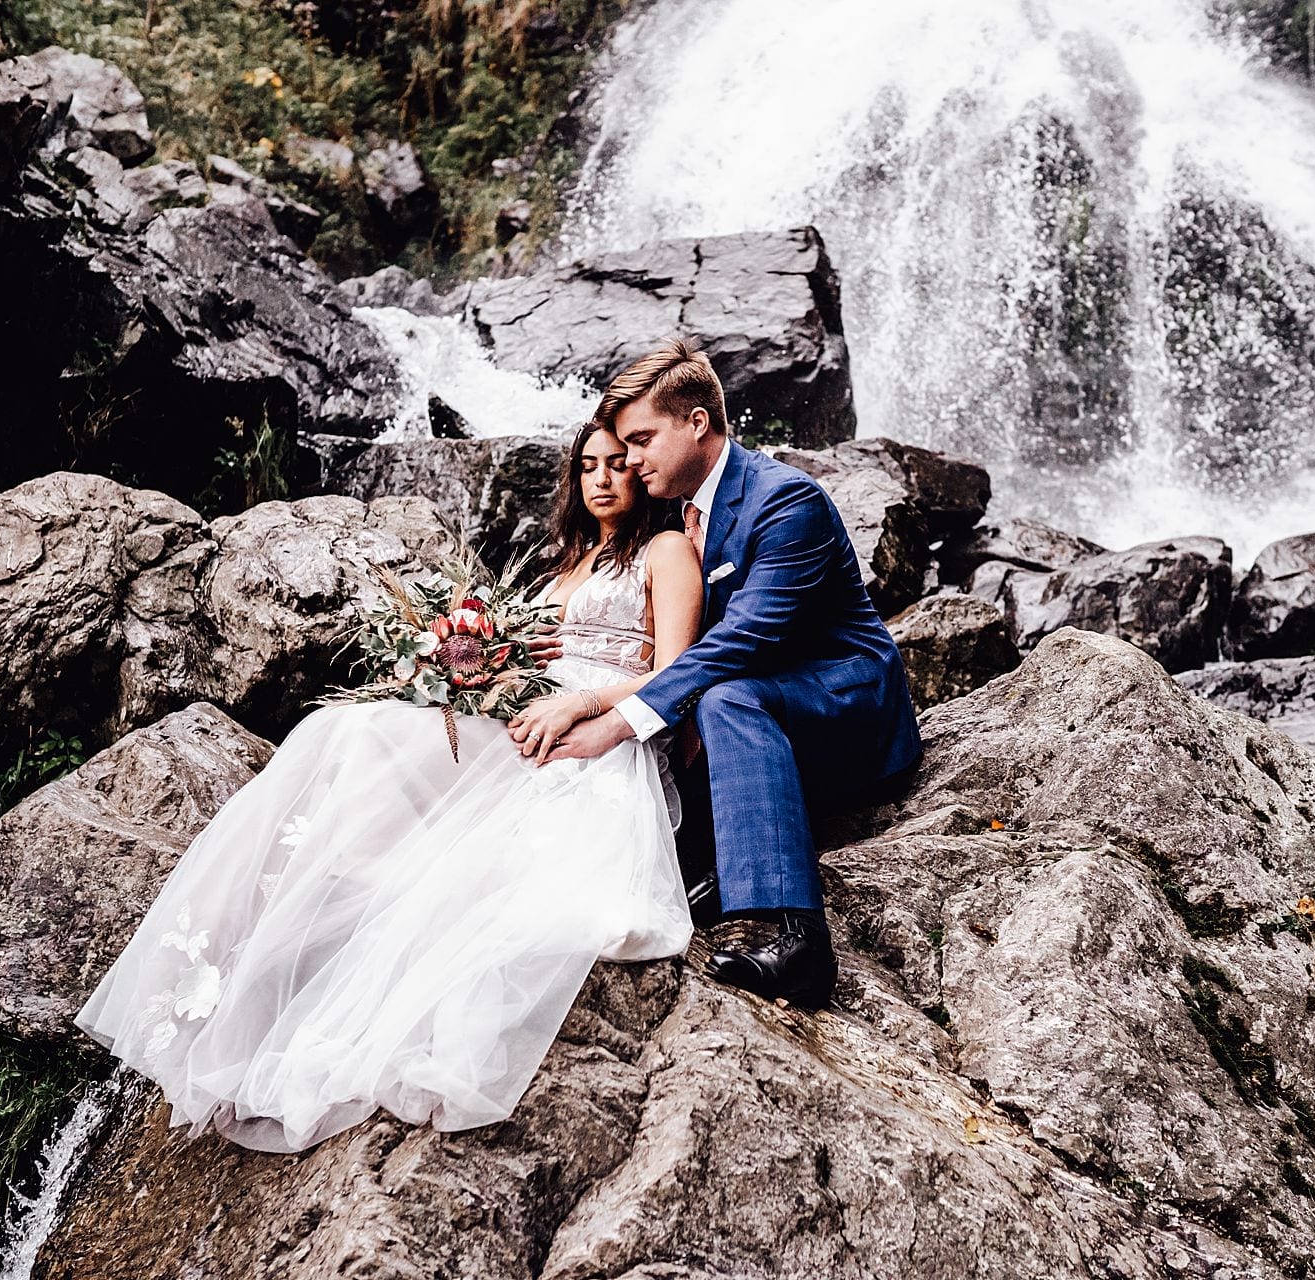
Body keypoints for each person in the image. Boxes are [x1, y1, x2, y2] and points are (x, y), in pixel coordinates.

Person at [72, 422, 702, 1152]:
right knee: (351, 731)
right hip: (522, 717)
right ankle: (362, 887)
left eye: (619, 465)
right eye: (588, 465)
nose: (601, 479)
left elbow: (677, 674)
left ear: (645, 473)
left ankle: (386, 885)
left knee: (364, 737)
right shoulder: (560, 566)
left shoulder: (666, 550)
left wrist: (581, 703)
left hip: (593, 736)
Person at [533, 339, 923, 1011]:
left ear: (697, 423)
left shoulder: (784, 500)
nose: (627, 461)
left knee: (723, 699)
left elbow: (743, 641)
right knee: (692, 715)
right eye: (621, 447)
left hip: (844, 707)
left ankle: (802, 940)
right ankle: (704, 872)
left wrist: (612, 720)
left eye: (642, 439)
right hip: (756, 713)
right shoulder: (676, 513)